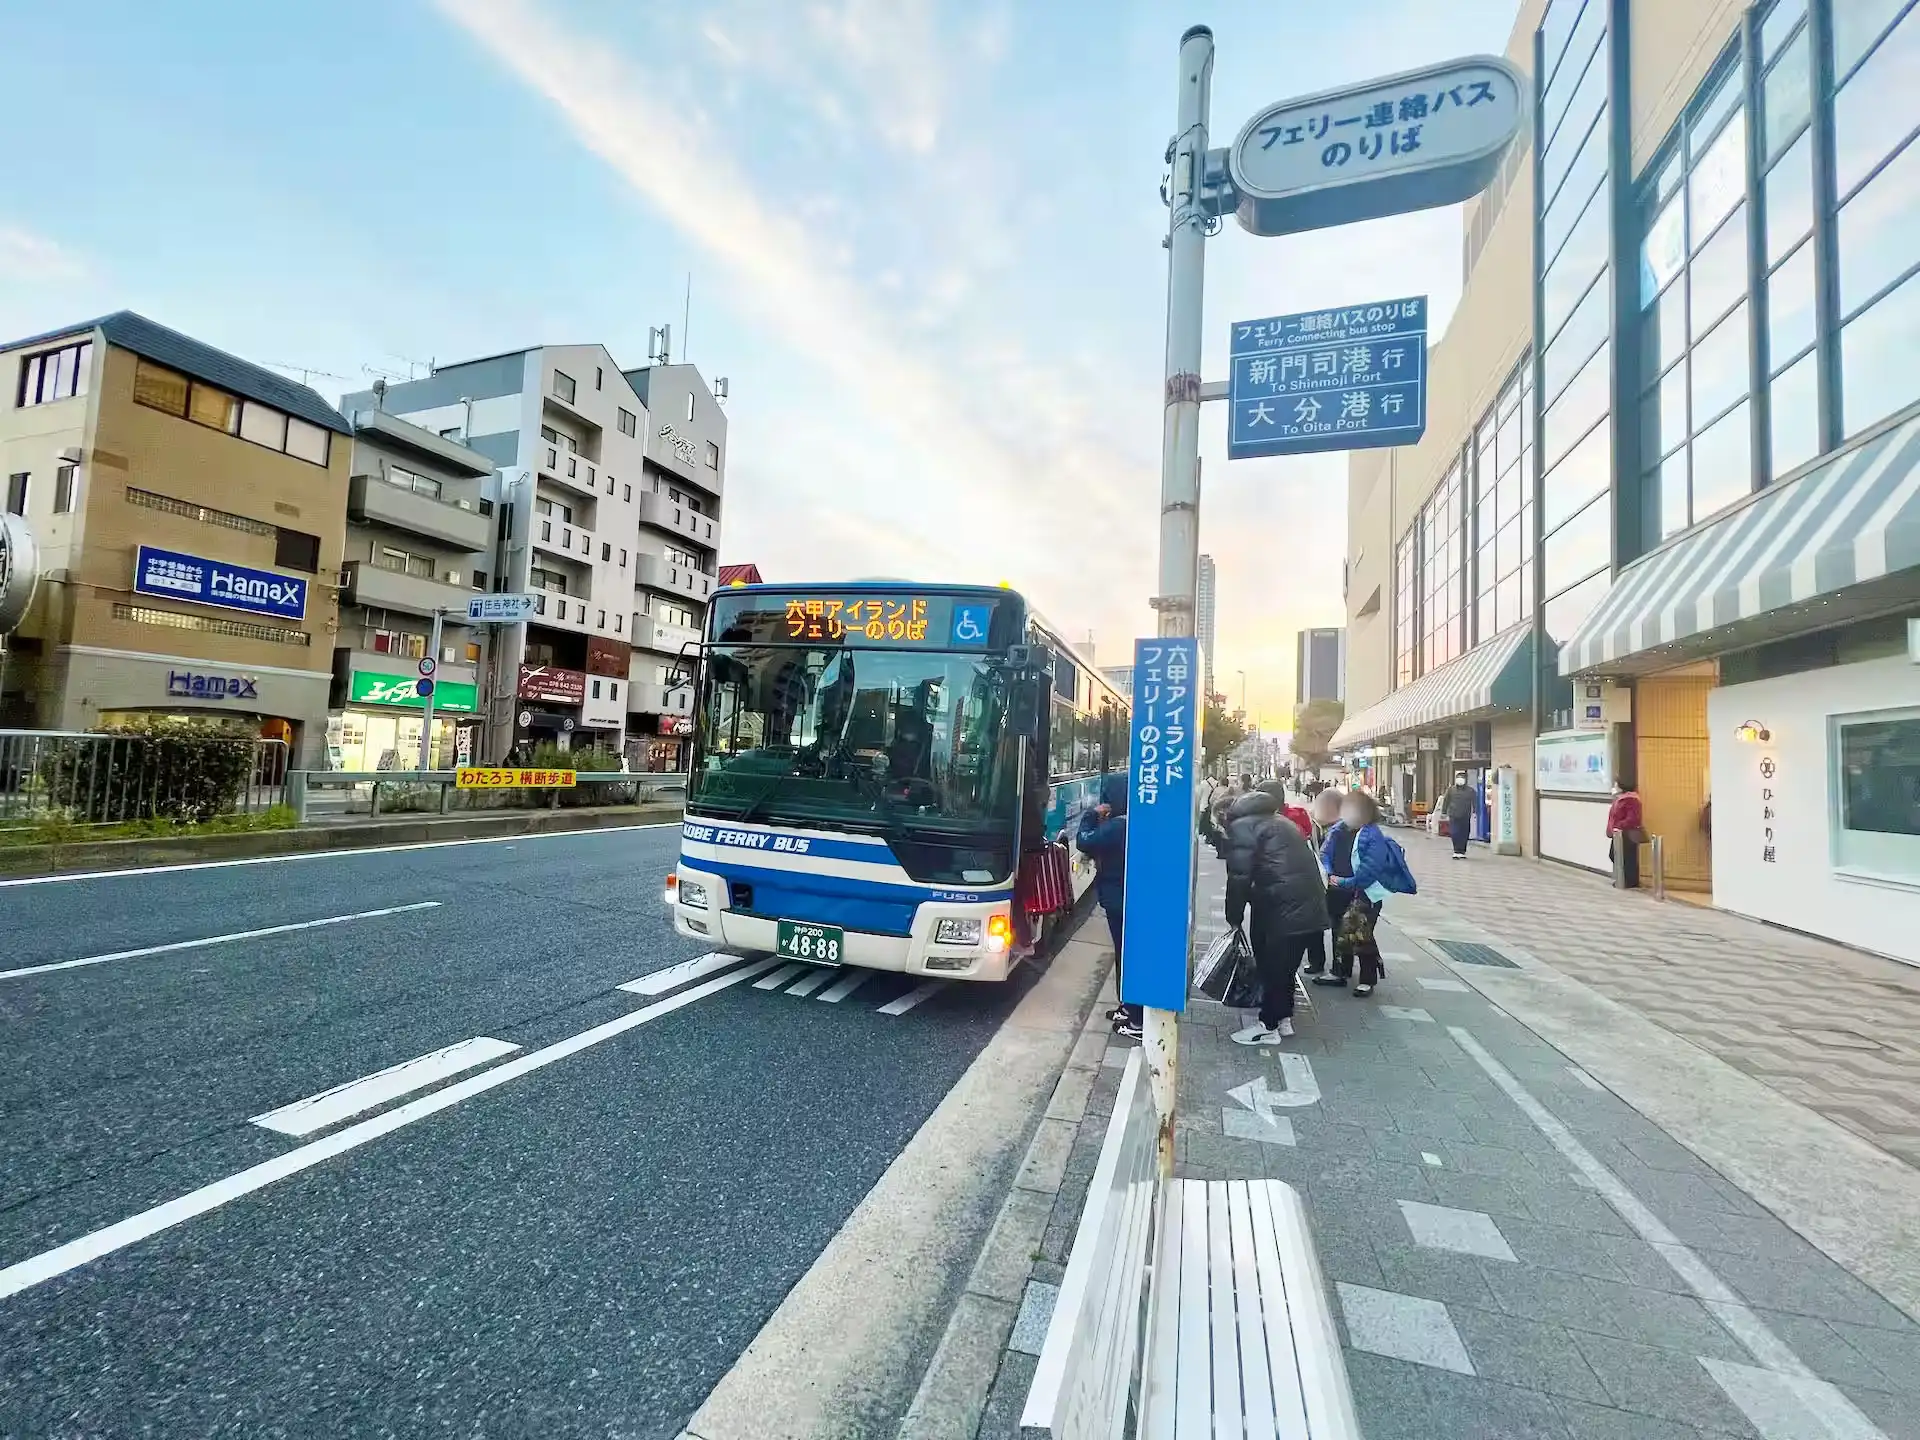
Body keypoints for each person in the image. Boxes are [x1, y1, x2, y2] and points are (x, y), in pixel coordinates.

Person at [1215, 780, 1328, 1045]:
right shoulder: (1277, 821)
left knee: (1273, 967)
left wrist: (1233, 918)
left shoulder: (1244, 828)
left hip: (1282, 910)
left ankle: (1268, 1025)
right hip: (1302, 906)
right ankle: (1283, 1018)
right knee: (1285, 968)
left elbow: (1239, 878)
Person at [1325, 790, 1416, 997]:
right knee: (1339, 930)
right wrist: (1329, 872)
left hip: (1364, 894)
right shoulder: (1338, 829)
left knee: (1361, 935)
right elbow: (1325, 852)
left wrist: (1343, 881)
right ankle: (1340, 971)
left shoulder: (1373, 837)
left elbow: (1368, 874)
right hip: (1338, 888)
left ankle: (1368, 978)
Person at [1077, 772, 1138, 1038]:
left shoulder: (1117, 826)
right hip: (1126, 896)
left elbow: (1085, 840)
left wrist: (1091, 815)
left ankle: (1135, 1018)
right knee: (1124, 952)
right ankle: (1127, 1006)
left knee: (1126, 954)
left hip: (1119, 898)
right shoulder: (1130, 821)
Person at [1606, 776, 1644, 888]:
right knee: (1616, 855)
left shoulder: (1631, 799)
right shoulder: (1620, 798)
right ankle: (1623, 879)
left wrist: (1618, 826)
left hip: (1626, 833)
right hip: (1618, 833)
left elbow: (1633, 818)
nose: (1614, 787)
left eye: (1616, 784)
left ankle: (1629, 881)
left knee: (1626, 857)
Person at [1441, 772, 1477, 859]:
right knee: (1454, 832)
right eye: (1458, 777)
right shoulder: (1451, 790)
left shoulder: (1470, 791)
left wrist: (1475, 812)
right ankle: (1456, 850)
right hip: (1454, 815)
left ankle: (1462, 851)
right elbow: (1446, 801)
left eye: (1462, 777)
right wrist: (1444, 812)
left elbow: (1475, 802)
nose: (1460, 779)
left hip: (1465, 815)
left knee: (1464, 833)